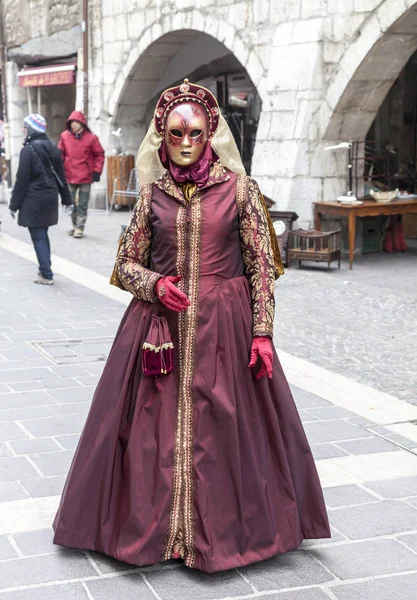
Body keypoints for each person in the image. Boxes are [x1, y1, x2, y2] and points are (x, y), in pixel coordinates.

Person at [53, 80, 330, 572]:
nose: (185, 143)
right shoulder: (152, 195)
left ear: (210, 135)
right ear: (163, 135)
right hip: (158, 330)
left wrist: (262, 331)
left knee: (226, 424)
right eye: (176, 133)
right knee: (147, 434)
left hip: (226, 326)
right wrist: (156, 286)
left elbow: (261, 264)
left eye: (195, 134)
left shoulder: (240, 191)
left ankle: (220, 535)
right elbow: (125, 263)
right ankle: (158, 534)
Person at [9, 114, 72, 285]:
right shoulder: (53, 148)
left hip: (33, 200)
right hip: (50, 198)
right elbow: (61, 177)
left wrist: (13, 205)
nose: (22, 130)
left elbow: (22, 181)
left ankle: (46, 273)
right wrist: (67, 200)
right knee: (42, 234)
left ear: (30, 129)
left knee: (38, 236)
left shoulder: (27, 150)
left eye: (24, 127)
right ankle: (44, 269)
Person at [58, 110, 105, 238]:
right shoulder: (64, 137)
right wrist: (58, 170)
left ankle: (80, 227)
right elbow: (60, 154)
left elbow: (99, 155)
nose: (74, 125)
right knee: (70, 202)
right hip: (69, 174)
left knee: (83, 203)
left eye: (76, 122)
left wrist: (96, 171)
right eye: (72, 122)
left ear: (82, 123)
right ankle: (74, 224)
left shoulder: (92, 138)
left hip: (86, 176)